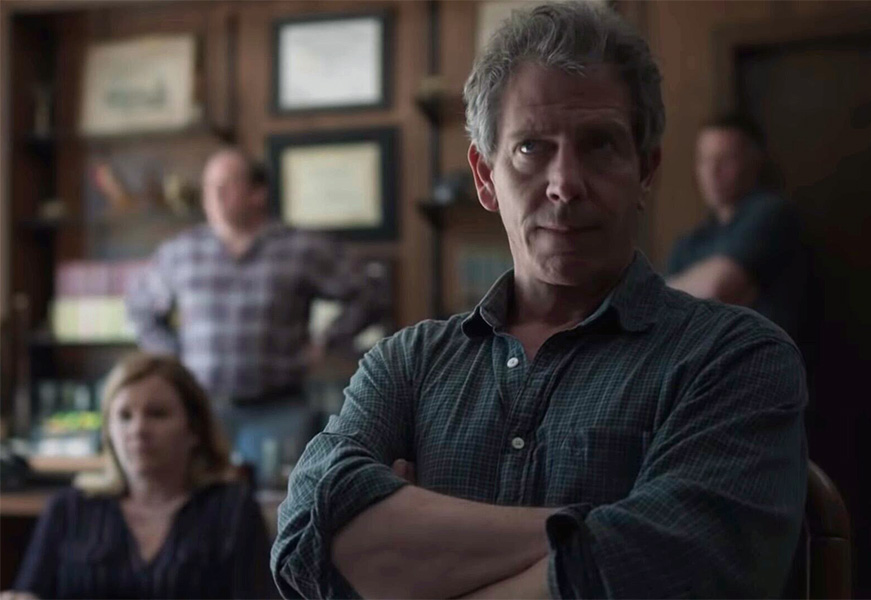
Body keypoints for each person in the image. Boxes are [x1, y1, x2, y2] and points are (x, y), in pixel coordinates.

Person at [272, 3, 807, 598]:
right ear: (485, 176)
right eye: (531, 148)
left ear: (645, 169)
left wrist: (411, 542)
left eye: (599, 144)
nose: (565, 184)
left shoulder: (733, 357)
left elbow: (688, 566)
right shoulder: (407, 364)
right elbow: (305, 536)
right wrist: (599, 531)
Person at [126, 148, 383, 467]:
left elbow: (368, 293)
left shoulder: (299, 248)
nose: (214, 195)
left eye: (227, 185)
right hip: (199, 410)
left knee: (280, 495)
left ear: (257, 194)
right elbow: (139, 309)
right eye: (209, 186)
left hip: (279, 409)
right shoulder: (181, 252)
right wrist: (173, 359)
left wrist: (326, 341)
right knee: (204, 495)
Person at [2, 353, 276, 599]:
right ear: (108, 431)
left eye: (157, 414)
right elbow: (28, 593)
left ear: (194, 429)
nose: (138, 430)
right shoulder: (68, 509)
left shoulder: (231, 509)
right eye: (124, 416)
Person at [667, 114, 806, 340]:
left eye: (726, 159)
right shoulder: (691, 241)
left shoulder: (771, 214)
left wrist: (678, 292)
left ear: (754, 162)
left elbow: (716, 287)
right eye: (705, 160)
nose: (713, 172)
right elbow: (661, 312)